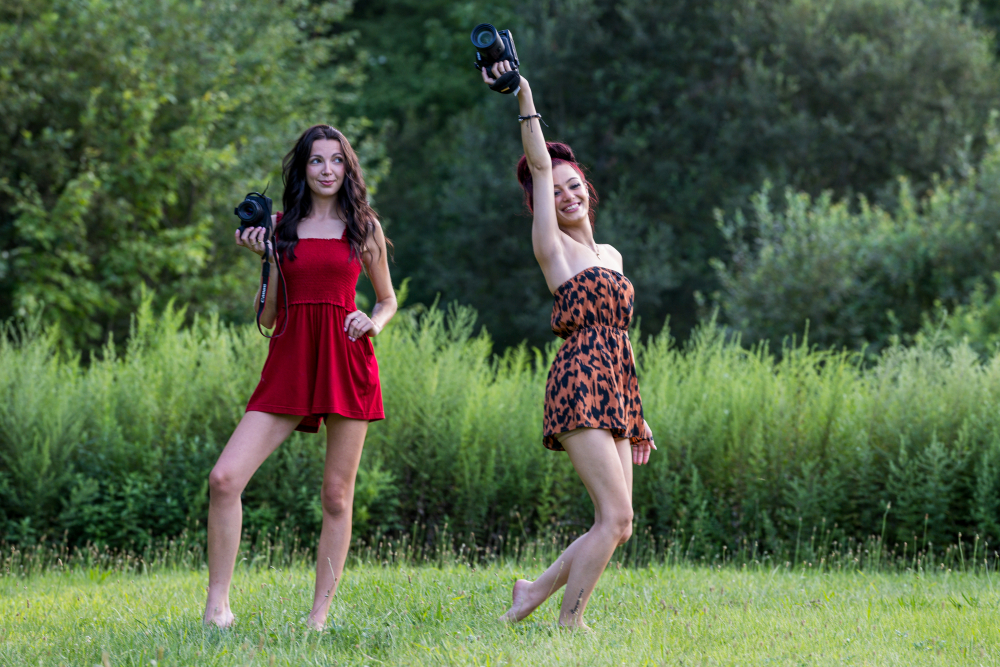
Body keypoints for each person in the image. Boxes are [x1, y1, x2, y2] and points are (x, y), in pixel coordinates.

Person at [481, 62, 656, 630]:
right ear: (541, 203)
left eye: (574, 184)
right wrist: (523, 92)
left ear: (588, 187)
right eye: (554, 191)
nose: (567, 195)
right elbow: (537, 162)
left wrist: (637, 414)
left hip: (615, 385)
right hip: (579, 381)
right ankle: (569, 622)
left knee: (620, 524)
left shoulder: (612, 255)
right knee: (615, 515)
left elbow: (622, 340)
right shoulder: (552, 249)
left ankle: (531, 591)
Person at [202, 125, 396, 630]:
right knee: (224, 479)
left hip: (346, 360)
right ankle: (217, 609)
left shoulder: (364, 227)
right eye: (316, 160)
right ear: (303, 169)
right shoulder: (279, 228)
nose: (327, 170)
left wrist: (372, 322)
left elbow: (387, 299)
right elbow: (268, 317)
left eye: (336, 160)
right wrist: (267, 260)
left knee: (336, 496)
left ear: (347, 168)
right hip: (289, 361)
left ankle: (318, 618)